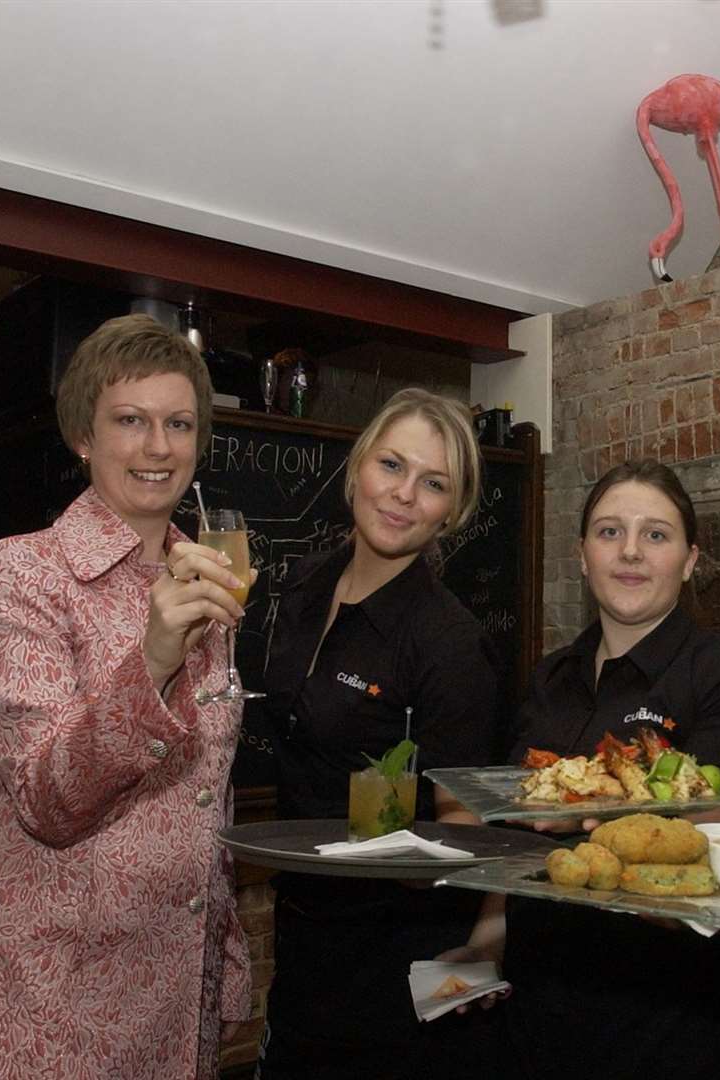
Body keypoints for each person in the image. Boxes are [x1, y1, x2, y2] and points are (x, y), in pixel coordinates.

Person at [0, 314, 252, 1080]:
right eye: (129, 421)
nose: (158, 447)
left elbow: (204, 798)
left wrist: (221, 964)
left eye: (178, 424)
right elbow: (45, 796)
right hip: (37, 994)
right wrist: (154, 659)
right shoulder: (19, 575)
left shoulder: (204, 577)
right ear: (83, 437)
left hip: (164, 994)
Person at [496, 460, 720, 1079]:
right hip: (540, 1002)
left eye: (655, 534)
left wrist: (602, 818)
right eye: (609, 532)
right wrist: (483, 941)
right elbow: (510, 837)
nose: (630, 551)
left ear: (689, 559)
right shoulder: (550, 676)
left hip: (672, 1016)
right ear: (580, 554)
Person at [253, 388, 507, 1080]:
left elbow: (466, 820)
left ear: (451, 511)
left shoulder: (449, 642)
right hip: (304, 930)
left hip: (398, 951)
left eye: (433, 484)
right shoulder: (304, 584)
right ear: (359, 466)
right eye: (391, 466)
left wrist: (482, 926)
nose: (403, 495)